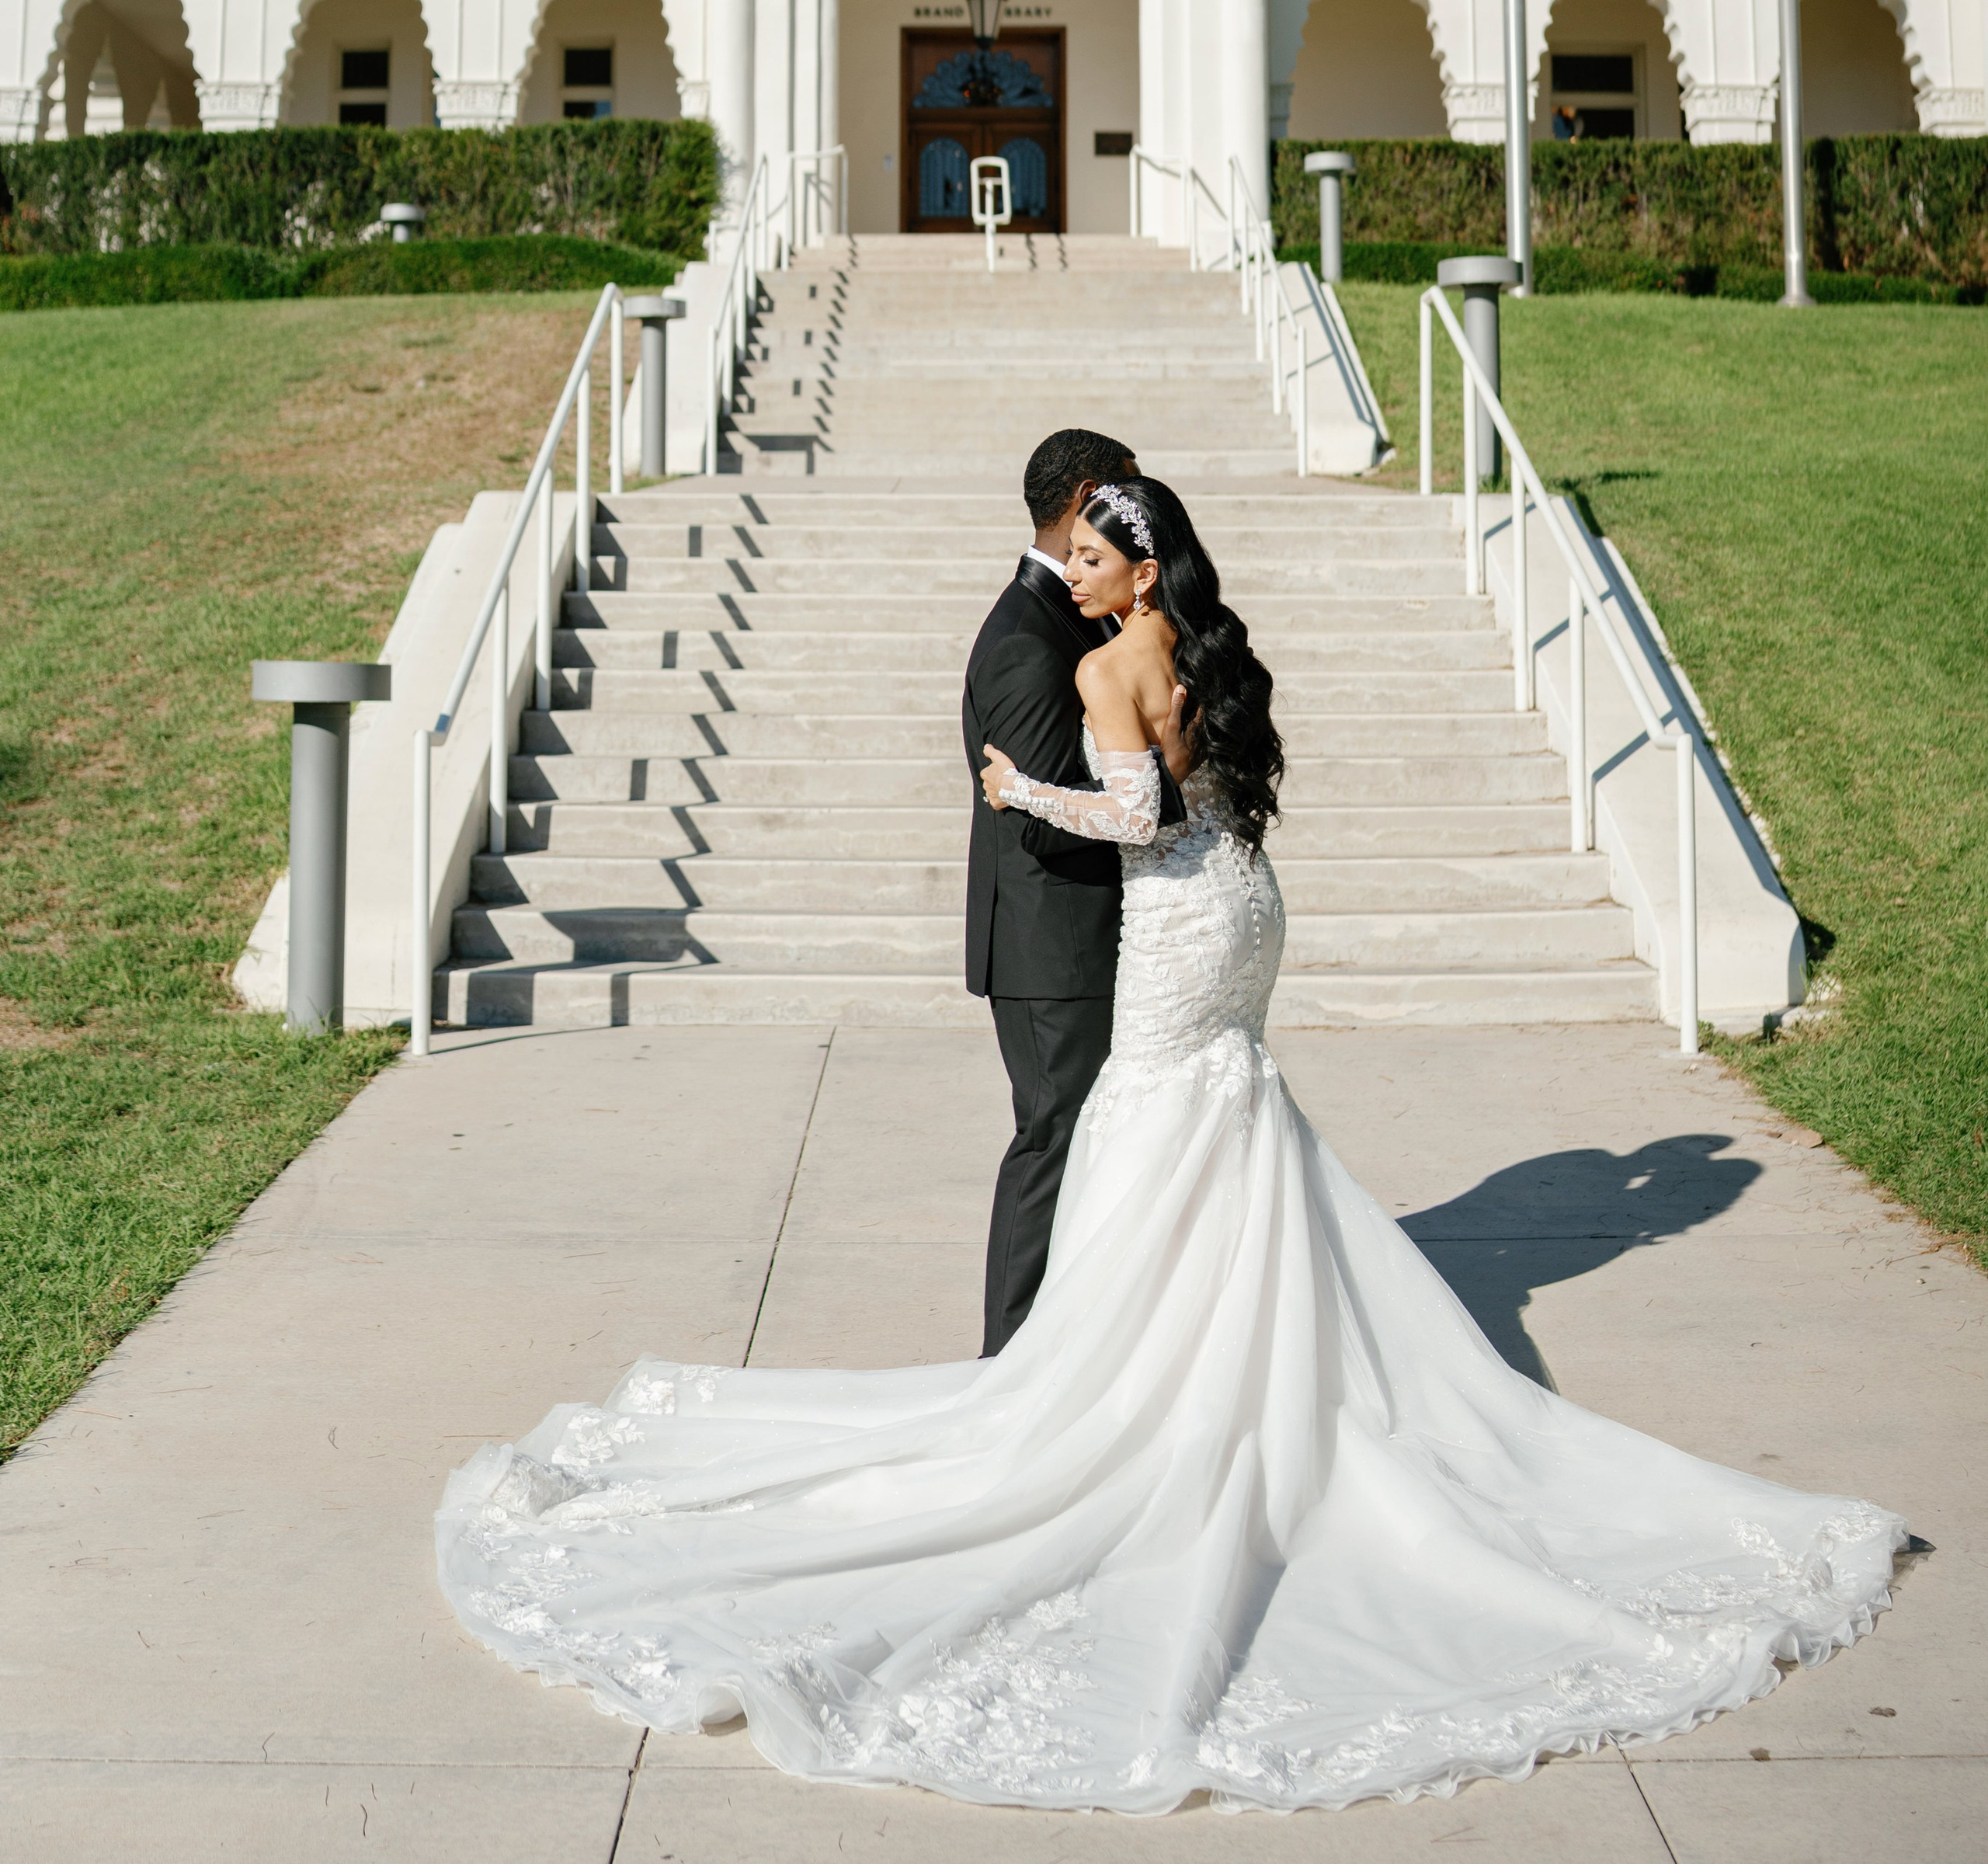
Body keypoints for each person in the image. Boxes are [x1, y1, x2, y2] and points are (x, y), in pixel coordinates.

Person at [436, 478, 1904, 1817]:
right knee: (1227, 1117)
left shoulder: (1102, 664)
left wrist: (1023, 794)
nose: (1067, 574)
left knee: (1146, 1121)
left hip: (1177, 924)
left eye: (1087, 556)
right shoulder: (1208, 647)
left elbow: (1133, 817)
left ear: (1136, 571)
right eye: (1067, 555)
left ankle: (1141, 1391)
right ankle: (1217, 1357)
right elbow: (1203, 802)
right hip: (1248, 904)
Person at [961, 426, 1189, 1356]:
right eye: (1122, 499)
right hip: (1052, 941)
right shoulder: (1025, 636)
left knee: (1092, 1143)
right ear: (1092, 492)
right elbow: (1046, 810)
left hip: (1103, 935)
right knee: (1051, 1141)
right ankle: (1007, 1361)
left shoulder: (1093, 618)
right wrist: (1169, 806)